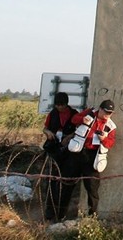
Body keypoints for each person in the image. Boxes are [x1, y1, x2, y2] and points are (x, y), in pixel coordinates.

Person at [67, 99, 117, 216]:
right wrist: (82, 120)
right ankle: (61, 213)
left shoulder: (111, 126)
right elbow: (74, 120)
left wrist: (104, 139)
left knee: (92, 188)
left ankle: (91, 216)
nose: (107, 115)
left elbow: (110, 143)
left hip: (93, 157)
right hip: (78, 152)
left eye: (110, 113)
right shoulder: (89, 113)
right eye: (106, 112)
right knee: (67, 182)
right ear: (100, 109)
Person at [41, 92, 78, 221]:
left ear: (66, 104)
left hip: (68, 152)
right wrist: (49, 133)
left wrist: (69, 137)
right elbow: (45, 128)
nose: (59, 108)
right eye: (57, 105)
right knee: (52, 181)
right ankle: (49, 212)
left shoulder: (74, 114)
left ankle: (61, 213)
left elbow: (79, 130)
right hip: (54, 150)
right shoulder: (52, 114)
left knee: (65, 182)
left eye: (61, 105)